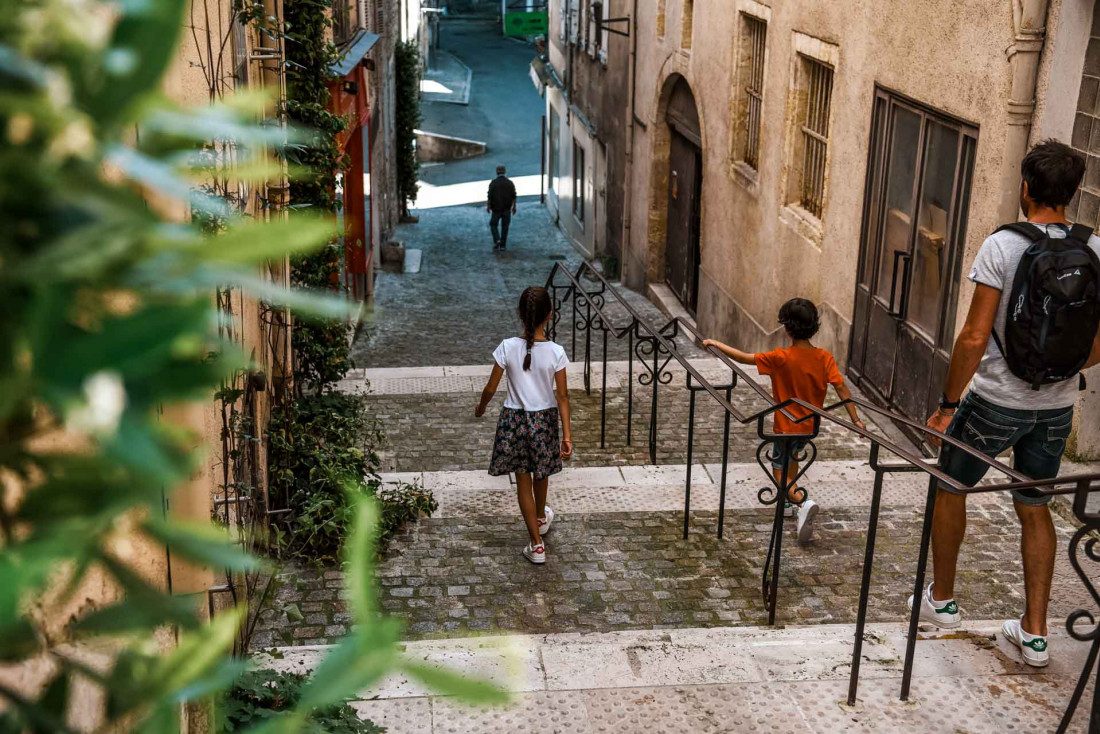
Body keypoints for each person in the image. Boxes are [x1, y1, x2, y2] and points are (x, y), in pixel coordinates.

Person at [919, 140, 1100, 668]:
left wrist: (948, 404)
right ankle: (1036, 634)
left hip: (997, 400)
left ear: (1026, 187)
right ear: (1071, 193)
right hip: (1057, 406)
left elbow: (974, 337)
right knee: (1035, 502)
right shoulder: (1095, 248)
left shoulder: (1002, 246)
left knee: (950, 484)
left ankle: (944, 602)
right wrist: (1063, 371)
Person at [703, 298, 865, 542]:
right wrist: (856, 419)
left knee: (777, 468)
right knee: (794, 460)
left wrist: (716, 344)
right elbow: (841, 388)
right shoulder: (824, 358)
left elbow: (744, 358)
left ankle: (803, 500)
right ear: (814, 327)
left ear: (787, 329)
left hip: (785, 427)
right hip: (809, 427)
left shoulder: (780, 357)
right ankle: (790, 502)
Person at [475, 286, 574, 564]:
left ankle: (536, 543)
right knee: (541, 474)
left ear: (520, 314)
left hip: (514, 420)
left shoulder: (507, 347)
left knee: (523, 479)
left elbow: (491, 388)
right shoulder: (556, 352)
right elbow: (563, 396)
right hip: (544, 420)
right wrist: (567, 435)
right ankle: (540, 518)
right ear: (550, 315)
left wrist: (481, 408)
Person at [487, 165, 517, 251]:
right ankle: (503, 245)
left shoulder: (493, 183)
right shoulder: (510, 183)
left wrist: (488, 206)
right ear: (504, 172)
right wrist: (514, 207)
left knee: (493, 224)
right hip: (507, 209)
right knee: (505, 227)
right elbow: (514, 195)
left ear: (497, 172)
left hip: (496, 209)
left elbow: (489, 195)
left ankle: (497, 239)